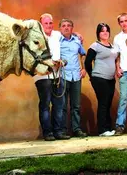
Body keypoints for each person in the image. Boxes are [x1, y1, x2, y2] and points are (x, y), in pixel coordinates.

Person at [33, 13, 70, 141]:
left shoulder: (56, 35)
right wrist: (49, 62)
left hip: (57, 74)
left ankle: (58, 131)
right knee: (45, 104)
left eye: (50, 23)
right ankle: (47, 132)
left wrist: (77, 36)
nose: (48, 25)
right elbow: (34, 56)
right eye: (45, 23)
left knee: (59, 104)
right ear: (41, 25)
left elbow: (68, 34)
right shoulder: (36, 37)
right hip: (42, 76)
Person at [85, 23, 118, 136]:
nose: (105, 33)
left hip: (110, 79)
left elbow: (115, 60)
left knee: (108, 103)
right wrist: (91, 76)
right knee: (103, 103)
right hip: (99, 78)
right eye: (102, 31)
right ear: (98, 33)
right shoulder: (95, 46)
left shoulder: (112, 46)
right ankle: (102, 130)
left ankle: (108, 128)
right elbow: (87, 62)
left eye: (107, 30)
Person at [59, 18, 88, 138]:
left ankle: (76, 129)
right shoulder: (57, 41)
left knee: (76, 106)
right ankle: (63, 130)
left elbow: (83, 54)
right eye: (64, 26)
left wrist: (84, 68)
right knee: (63, 105)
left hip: (76, 76)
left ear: (72, 28)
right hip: (63, 76)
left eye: (69, 26)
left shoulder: (77, 40)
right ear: (60, 28)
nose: (66, 27)